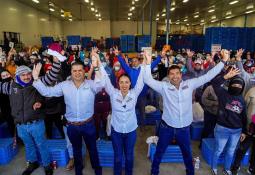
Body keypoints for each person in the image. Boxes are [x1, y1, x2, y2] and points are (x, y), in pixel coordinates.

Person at [144, 49, 229, 175]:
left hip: (184, 129)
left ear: (181, 74)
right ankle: (154, 172)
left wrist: (223, 62)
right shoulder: (164, 87)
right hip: (166, 127)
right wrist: (147, 63)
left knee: (187, 154)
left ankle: (190, 172)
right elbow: (147, 80)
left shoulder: (189, 84)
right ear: (168, 76)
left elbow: (207, 76)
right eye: (171, 74)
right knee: (159, 152)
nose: (175, 76)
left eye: (177, 73)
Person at [32, 50, 103, 175]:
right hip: (72, 126)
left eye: (80, 70)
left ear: (84, 71)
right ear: (71, 72)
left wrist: (96, 65)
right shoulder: (64, 85)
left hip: (88, 125)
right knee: (76, 151)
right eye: (74, 71)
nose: (77, 73)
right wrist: (36, 79)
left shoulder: (92, 85)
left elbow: (101, 83)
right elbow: (47, 92)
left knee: (92, 149)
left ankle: (97, 170)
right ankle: (79, 171)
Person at [0, 55, 61, 175]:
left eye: (28, 74)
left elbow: (51, 77)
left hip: (36, 123)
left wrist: (56, 62)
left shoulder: (36, 82)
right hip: (20, 125)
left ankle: (47, 165)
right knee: (28, 145)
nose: (27, 77)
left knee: (41, 144)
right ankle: (33, 163)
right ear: (17, 76)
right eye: (23, 75)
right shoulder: (10, 86)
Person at [96, 48, 145, 175]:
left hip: (131, 131)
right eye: (121, 82)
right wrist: (99, 62)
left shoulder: (134, 94)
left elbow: (140, 80)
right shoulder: (113, 93)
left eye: (126, 82)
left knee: (129, 156)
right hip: (116, 131)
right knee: (117, 157)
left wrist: (146, 63)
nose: (124, 85)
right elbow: (106, 79)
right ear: (118, 83)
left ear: (130, 84)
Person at [210, 67, 247, 175]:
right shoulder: (223, 94)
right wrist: (226, 76)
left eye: (240, 86)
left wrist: (244, 131)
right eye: (235, 85)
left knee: (231, 152)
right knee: (218, 150)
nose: (237, 87)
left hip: (236, 131)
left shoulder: (242, 99)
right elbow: (214, 83)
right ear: (230, 85)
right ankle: (214, 167)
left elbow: (243, 116)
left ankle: (227, 169)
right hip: (222, 128)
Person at [231, 86, 255, 175]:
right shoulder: (252, 91)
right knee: (242, 148)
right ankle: (235, 167)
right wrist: (243, 127)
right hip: (249, 128)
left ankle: (252, 168)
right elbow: (242, 108)